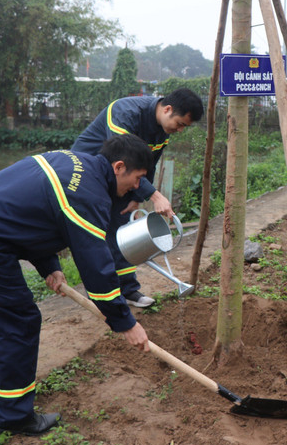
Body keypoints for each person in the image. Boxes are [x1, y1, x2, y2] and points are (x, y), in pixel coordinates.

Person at [0, 134, 155, 436]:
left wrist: (51, 266)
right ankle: (13, 415)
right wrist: (125, 322)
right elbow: (97, 270)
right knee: (18, 322)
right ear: (119, 167)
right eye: (138, 178)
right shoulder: (89, 193)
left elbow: (33, 213)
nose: (137, 188)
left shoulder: (69, 160)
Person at [72, 88, 204, 308]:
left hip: (121, 179)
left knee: (122, 234)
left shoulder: (162, 130)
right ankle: (100, 294)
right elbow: (122, 157)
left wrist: (137, 197)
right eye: (180, 123)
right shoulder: (124, 113)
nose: (179, 130)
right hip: (87, 176)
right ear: (168, 109)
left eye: (184, 127)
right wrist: (154, 195)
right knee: (95, 236)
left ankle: (128, 291)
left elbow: (146, 165)